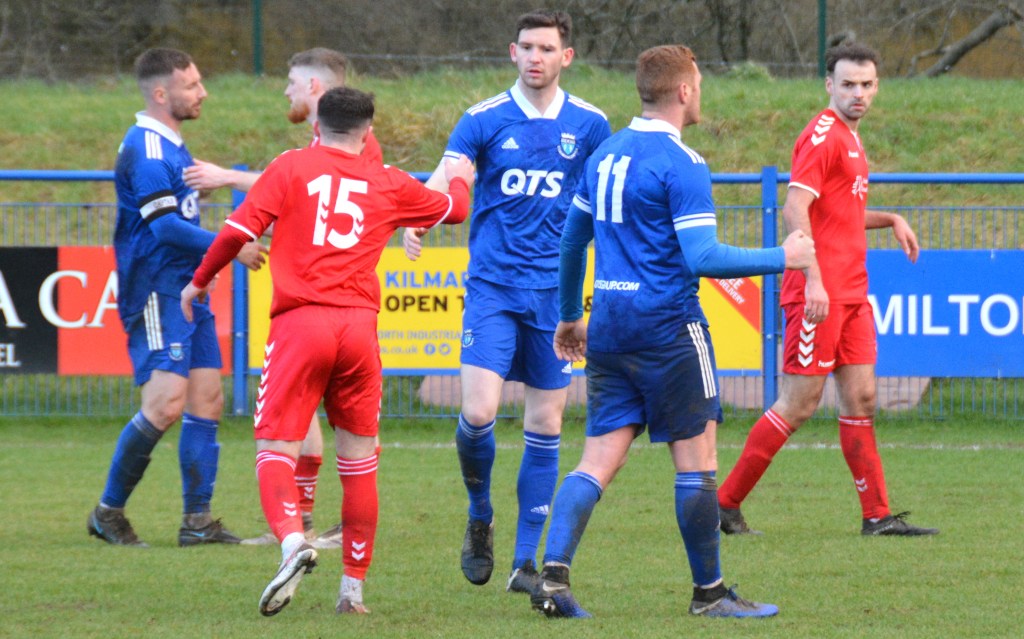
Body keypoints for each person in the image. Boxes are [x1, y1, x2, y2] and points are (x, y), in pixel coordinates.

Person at [530, 44, 816, 619]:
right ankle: (709, 594)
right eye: (699, 84)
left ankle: (553, 581)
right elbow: (702, 256)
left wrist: (569, 314)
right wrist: (784, 257)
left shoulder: (605, 153)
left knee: (597, 460)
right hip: (669, 328)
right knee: (697, 461)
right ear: (684, 91)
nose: (700, 93)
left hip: (610, 327)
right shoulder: (682, 162)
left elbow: (571, 240)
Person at [181, 86, 475, 616]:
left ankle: (294, 543)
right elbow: (455, 210)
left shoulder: (290, 166)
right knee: (359, 461)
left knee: (276, 446)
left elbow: (234, 232)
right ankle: (352, 593)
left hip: (301, 324)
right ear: (368, 131)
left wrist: (199, 282)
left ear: (317, 125)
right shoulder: (388, 180)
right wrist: (459, 172)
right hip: (359, 330)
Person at [403, 9, 611, 594]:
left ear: (566, 56)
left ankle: (523, 563)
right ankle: (480, 514)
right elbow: (448, 172)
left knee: (545, 422)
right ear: (512, 52)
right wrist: (420, 215)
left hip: (555, 297)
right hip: (492, 288)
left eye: (546, 48)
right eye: (527, 47)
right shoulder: (483, 118)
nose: (535, 57)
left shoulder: (591, 124)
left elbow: (608, 195)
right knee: (478, 414)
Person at [717, 42, 939, 538]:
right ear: (829, 85)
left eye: (866, 84)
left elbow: (839, 212)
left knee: (862, 398)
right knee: (798, 404)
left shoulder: (851, 138)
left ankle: (876, 516)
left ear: (876, 86)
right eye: (848, 84)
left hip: (852, 294)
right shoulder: (823, 135)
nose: (858, 93)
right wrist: (814, 278)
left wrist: (891, 218)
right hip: (818, 294)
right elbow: (795, 208)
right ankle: (724, 505)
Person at [184, 47, 382, 549]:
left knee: (319, 427)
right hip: (337, 306)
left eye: (292, 81)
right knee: (307, 415)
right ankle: (306, 528)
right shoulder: (324, 141)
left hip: (325, 304)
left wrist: (230, 181)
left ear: (315, 87)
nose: (286, 90)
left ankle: (317, 531)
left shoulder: (354, 143)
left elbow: (330, 200)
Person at [87, 47, 267, 548]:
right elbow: (164, 228)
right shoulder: (147, 148)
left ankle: (198, 522)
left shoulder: (171, 146)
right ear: (162, 93)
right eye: (192, 85)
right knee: (165, 404)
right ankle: (107, 512)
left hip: (189, 289)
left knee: (206, 400)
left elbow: (176, 210)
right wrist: (232, 244)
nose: (202, 92)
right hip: (156, 288)